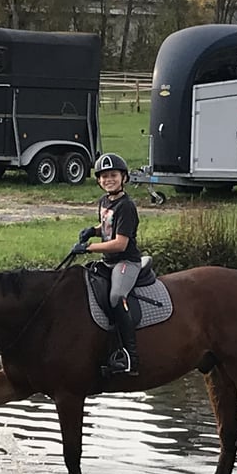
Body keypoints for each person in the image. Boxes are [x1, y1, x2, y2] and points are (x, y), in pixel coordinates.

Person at [72, 152, 142, 375]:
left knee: (116, 297)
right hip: (108, 262)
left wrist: (88, 248)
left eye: (112, 175)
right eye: (103, 176)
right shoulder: (105, 201)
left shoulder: (127, 206)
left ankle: (130, 356)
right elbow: (108, 225)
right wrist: (93, 231)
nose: (107, 180)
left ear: (123, 177)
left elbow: (120, 243)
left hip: (125, 262)